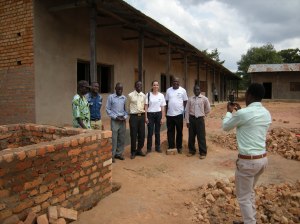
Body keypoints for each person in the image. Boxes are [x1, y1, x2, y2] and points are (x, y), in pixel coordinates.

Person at [222, 83, 271, 224]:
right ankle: (250, 220)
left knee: (243, 197)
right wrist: (241, 112)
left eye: (246, 94)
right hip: (262, 160)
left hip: (248, 162)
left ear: (249, 95)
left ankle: (250, 222)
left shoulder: (243, 114)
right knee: (249, 192)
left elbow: (226, 126)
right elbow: (252, 123)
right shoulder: (266, 113)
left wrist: (229, 112)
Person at [185, 85, 211, 159]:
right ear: (193, 90)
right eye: (195, 90)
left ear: (200, 90)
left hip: (200, 119)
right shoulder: (190, 99)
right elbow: (187, 110)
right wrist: (187, 121)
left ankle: (203, 152)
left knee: (201, 136)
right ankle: (191, 151)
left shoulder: (204, 99)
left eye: (198, 89)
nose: (197, 91)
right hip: (191, 119)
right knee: (191, 136)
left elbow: (208, 109)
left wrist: (203, 114)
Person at [165, 77, 188, 153]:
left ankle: (179, 147)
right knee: (170, 131)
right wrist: (166, 112)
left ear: (179, 82)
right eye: (174, 81)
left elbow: (185, 102)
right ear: (172, 82)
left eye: (177, 81)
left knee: (179, 131)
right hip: (170, 115)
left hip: (179, 115)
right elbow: (167, 102)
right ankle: (171, 146)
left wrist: (184, 112)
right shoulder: (168, 90)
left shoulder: (183, 90)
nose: (175, 83)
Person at [106, 83, 128, 163]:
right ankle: (112, 155)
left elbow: (126, 110)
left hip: (122, 120)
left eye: (121, 89)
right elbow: (108, 109)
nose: (120, 90)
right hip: (115, 120)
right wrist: (115, 117)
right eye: (118, 89)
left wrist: (124, 117)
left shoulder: (124, 98)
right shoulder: (111, 97)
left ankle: (119, 154)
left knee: (121, 138)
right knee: (114, 138)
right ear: (115, 88)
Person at [145, 80, 166, 153]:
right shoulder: (148, 95)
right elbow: (146, 106)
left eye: (157, 85)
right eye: (154, 85)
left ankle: (157, 147)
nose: (155, 86)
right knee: (150, 132)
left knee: (157, 132)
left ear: (158, 86)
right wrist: (146, 117)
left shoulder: (161, 95)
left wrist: (163, 117)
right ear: (152, 86)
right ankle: (149, 148)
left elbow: (163, 107)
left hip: (158, 114)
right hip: (150, 114)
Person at [127, 81, 146, 159]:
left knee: (142, 135)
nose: (139, 86)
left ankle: (139, 149)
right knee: (133, 135)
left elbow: (144, 106)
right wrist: (131, 114)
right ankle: (133, 151)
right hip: (134, 117)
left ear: (142, 86)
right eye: (137, 85)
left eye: (140, 85)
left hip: (141, 116)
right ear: (135, 86)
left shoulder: (144, 96)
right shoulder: (130, 95)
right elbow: (128, 106)